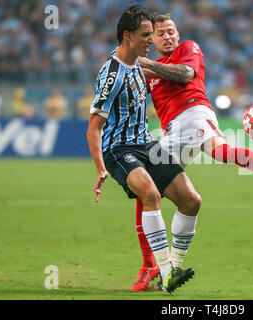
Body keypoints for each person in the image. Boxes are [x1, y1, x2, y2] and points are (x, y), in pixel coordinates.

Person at [132, 13, 253, 290]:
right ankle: (159, 266)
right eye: (160, 33)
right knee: (148, 191)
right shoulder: (149, 69)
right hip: (173, 130)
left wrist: (146, 65)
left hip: (194, 113)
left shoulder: (188, 48)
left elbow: (186, 75)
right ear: (151, 38)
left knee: (219, 151)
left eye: (170, 31)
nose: (168, 37)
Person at [87, 6, 200, 293]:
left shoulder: (141, 65)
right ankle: (165, 270)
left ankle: (171, 268)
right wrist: (101, 168)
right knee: (149, 194)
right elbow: (94, 128)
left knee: (191, 201)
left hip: (147, 144)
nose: (152, 40)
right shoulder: (111, 75)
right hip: (118, 149)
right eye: (146, 35)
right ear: (128, 36)